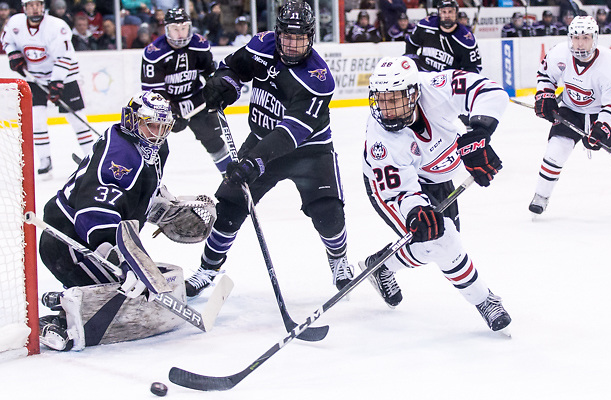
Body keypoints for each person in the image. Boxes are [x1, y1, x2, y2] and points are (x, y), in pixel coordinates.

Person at [186, 0, 354, 298]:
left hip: (309, 151)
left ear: (310, 37)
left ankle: (339, 259)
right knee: (231, 205)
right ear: (277, 34)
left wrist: (254, 162)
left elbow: (290, 133)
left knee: (328, 213)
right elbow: (233, 69)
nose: (291, 45)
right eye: (287, 38)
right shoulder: (262, 46)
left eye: (299, 39)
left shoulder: (318, 80)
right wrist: (223, 85)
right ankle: (208, 268)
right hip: (262, 137)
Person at [360, 56, 511, 333]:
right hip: (392, 189)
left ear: (415, 93)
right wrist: (416, 210)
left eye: (395, 99)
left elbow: (491, 92)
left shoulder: (436, 88)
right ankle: (484, 300)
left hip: (438, 174)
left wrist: (479, 133)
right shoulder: (381, 140)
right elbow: (399, 191)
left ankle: (381, 265)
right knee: (442, 239)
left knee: (435, 243)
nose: (388, 110)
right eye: (382, 100)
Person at [37, 91, 184, 351]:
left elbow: (133, 192)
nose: (157, 133)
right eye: (151, 124)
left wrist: (161, 205)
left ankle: (78, 296)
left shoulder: (156, 147)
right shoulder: (120, 153)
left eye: (164, 127)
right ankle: (60, 312)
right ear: (132, 120)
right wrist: (121, 258)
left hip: (100, 234)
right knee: (123, 291)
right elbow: (94, 213)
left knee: (142, 285)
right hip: (68, 239)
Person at [530, 16, 611, 221]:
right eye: (575, 38)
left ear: (595, 38)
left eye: (586, 37)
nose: (580, 43)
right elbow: (545, 76)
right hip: (571, 109)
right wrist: (544, 95)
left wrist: (603, 126)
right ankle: (541, 196)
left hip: (604, 112)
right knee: (555, 150)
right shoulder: (558, 54)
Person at [2, 0, 95, 178]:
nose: (35, 8)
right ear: (24, 8)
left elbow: (64, 57)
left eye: (38, 4)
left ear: (43, 6)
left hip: (65, 77)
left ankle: (92, 157)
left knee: (76, 118)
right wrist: (13, 55)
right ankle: (45, 160)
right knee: (36, 119)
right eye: (30, 5)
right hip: (35, 78)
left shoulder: (56, 26)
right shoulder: (15, 23)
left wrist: (57, 82)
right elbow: (6, 41)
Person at [141, 8, 231, 173]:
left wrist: (215, 89)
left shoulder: (199, 44)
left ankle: (232, 180)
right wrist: (169, 112)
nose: (180, 34)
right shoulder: (154, 53)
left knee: (213, 140)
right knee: (155, 146)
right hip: (167, 104)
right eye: (175, 29)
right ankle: (149, 185)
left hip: (196, 100)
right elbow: (154, 94)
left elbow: (210, 72)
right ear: (166, 29)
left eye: (184, 28)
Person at [405, 0, 481, 73]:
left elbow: (474, 67)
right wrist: (412, 64)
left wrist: (459, 81)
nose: (447, 15)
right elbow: (411, 43)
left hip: (447, 81)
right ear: (439, 13)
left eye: (450, 12)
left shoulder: (466, 39)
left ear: (456, 13)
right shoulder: (426, 25)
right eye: (443, 12)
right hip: (424, 75)